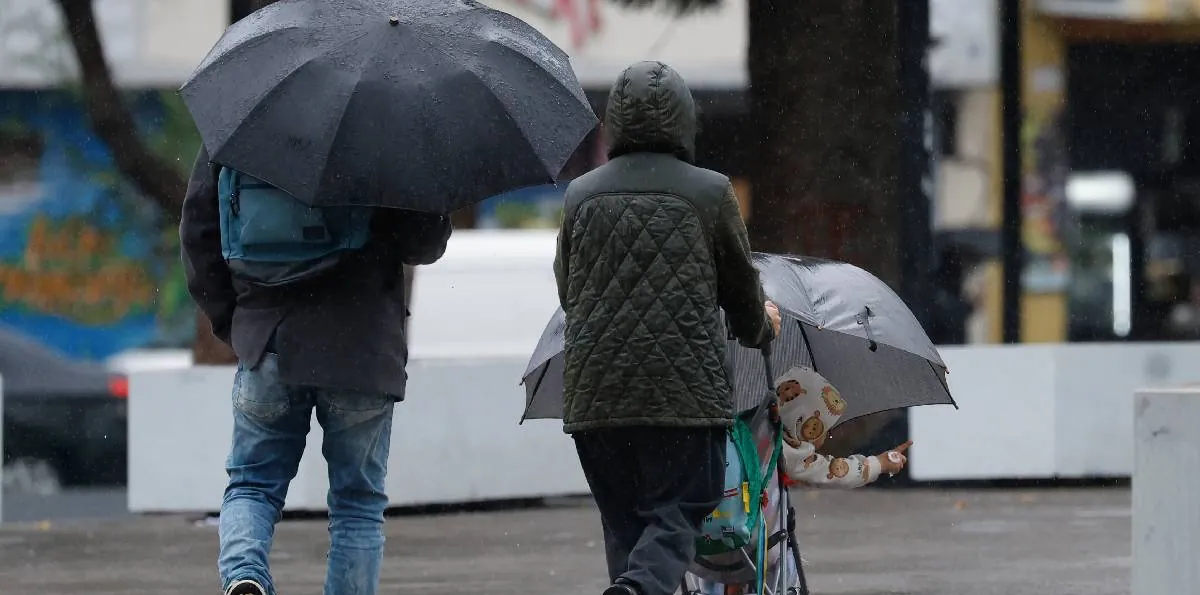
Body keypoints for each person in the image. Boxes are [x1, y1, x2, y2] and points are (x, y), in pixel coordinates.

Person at [553, 60, 782, 595]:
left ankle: (631, 585)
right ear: (684, 120)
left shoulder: (581, 194)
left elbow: (569, 292)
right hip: (684, 395)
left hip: (596, 399)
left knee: (626, 525)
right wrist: (762, 326)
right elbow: (742, 295)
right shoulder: (708, 192)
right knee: (683, 507)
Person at [180, 146, 452, 595]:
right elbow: (423, 243)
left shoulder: (239, 126)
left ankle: (245, 574)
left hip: (269, 337)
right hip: (362, 346)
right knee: (357, 507)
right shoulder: (383, 127)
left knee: (252, 485)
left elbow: (198, 233)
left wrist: (238, 324)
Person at [774, 367, 909, 487]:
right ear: (803, 425)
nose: (828, 436)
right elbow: (834, 472)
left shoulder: (766, 427)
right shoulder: (789, 454)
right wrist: (880, 464)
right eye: (827, 430)